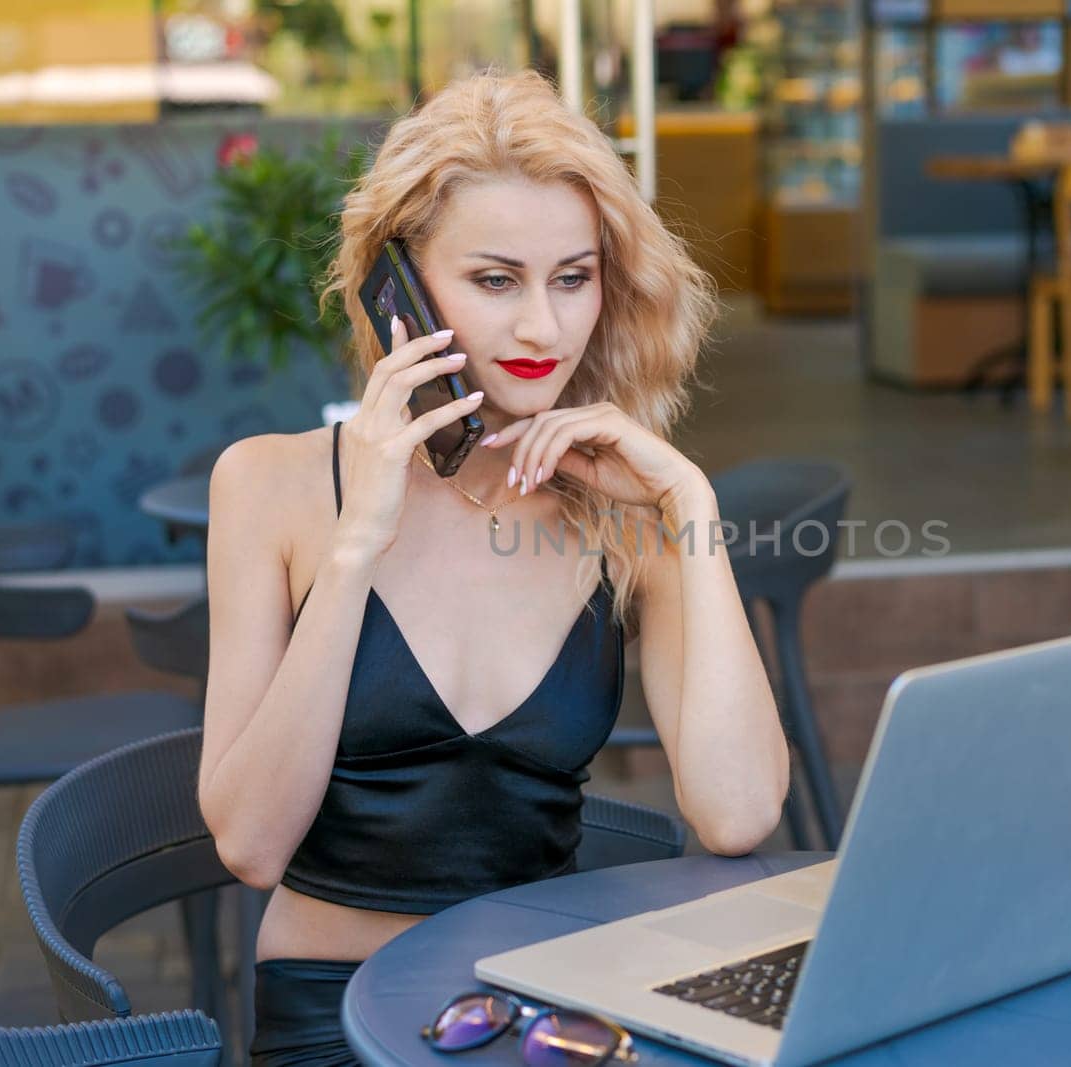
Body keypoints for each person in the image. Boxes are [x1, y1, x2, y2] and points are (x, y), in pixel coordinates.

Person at [198, 67, 790, 1066]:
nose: (541, 330)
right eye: (493, 279)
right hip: (333, 1018)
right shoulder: (268, 484)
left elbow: (736, 814)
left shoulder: (623, 513)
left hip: (549, 1014)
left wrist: (694, 511)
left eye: (572, 277)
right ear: (397, 285)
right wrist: (356, 547)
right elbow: (251, 843)